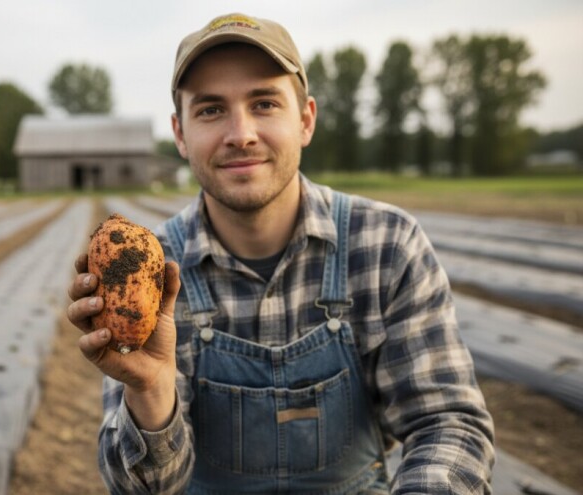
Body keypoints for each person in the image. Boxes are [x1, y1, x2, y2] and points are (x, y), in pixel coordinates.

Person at [67, 12, 494, 494]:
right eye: (210, 110)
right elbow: (145, 489)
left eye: (264, 103)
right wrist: (149, 391)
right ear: (180, 135)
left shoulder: (387, 245)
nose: (241, 133)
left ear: (305, 119)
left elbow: (446, 423)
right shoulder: (149, 274)